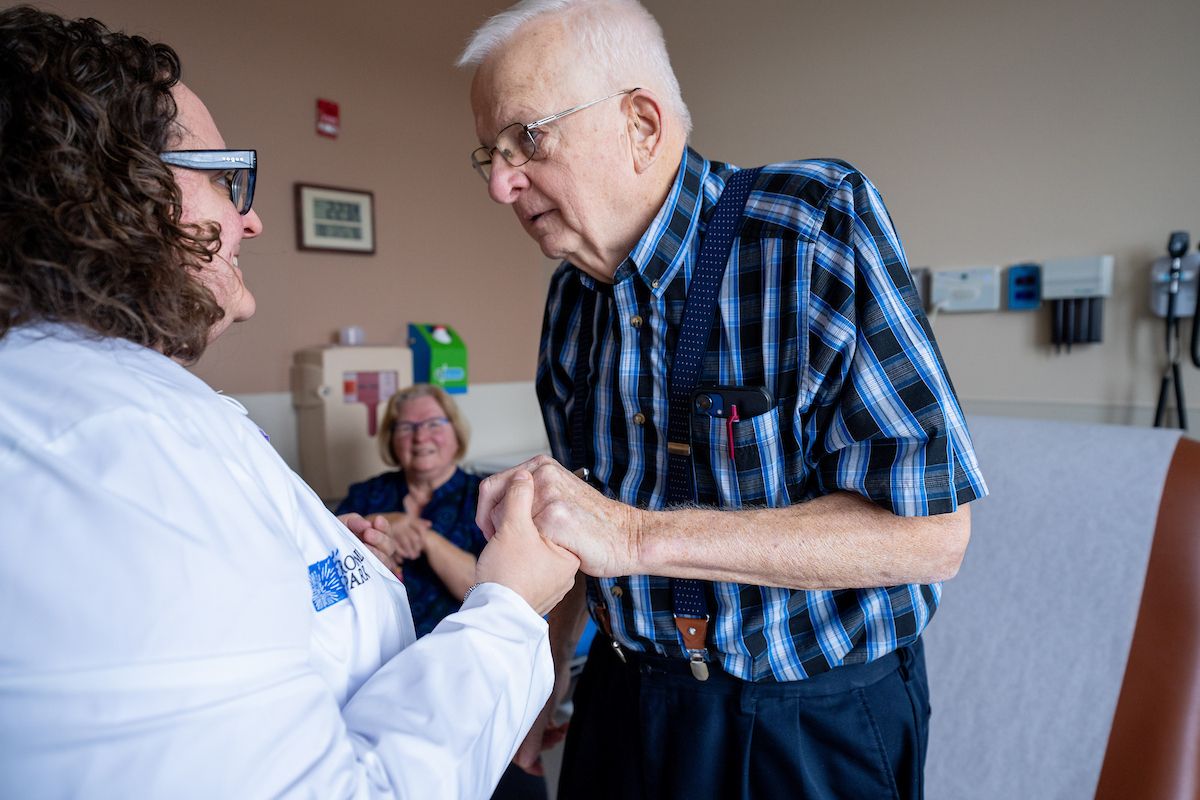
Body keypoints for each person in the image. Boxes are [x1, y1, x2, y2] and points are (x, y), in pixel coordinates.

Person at [0, 7, 579, 798]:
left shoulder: (127, 422)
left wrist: (312, 576)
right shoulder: (121, 450)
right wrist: (511, 608)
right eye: (225, 177)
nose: (253, 218)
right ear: (128, 193)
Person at [458, 1, 989, 798]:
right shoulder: (571, 300)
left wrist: (636, 536)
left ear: (642, 123)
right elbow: (575, 535)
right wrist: (543, 685)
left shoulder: (812, 227)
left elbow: (932, 536)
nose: (502, 184)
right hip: (624, 697)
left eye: (527, 139)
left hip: (804, 725)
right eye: (490, 155)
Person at [336, 384, 552, 799]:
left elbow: (498, 590)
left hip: (468, 673)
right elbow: (334, 570)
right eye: (406, 427)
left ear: (455, 431)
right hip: (376, 677)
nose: (421, 436)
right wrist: (385, 526)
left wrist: (428, 541)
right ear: (390, 439)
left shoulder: (488, 496)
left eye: (434, 423)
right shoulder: (366, 496)